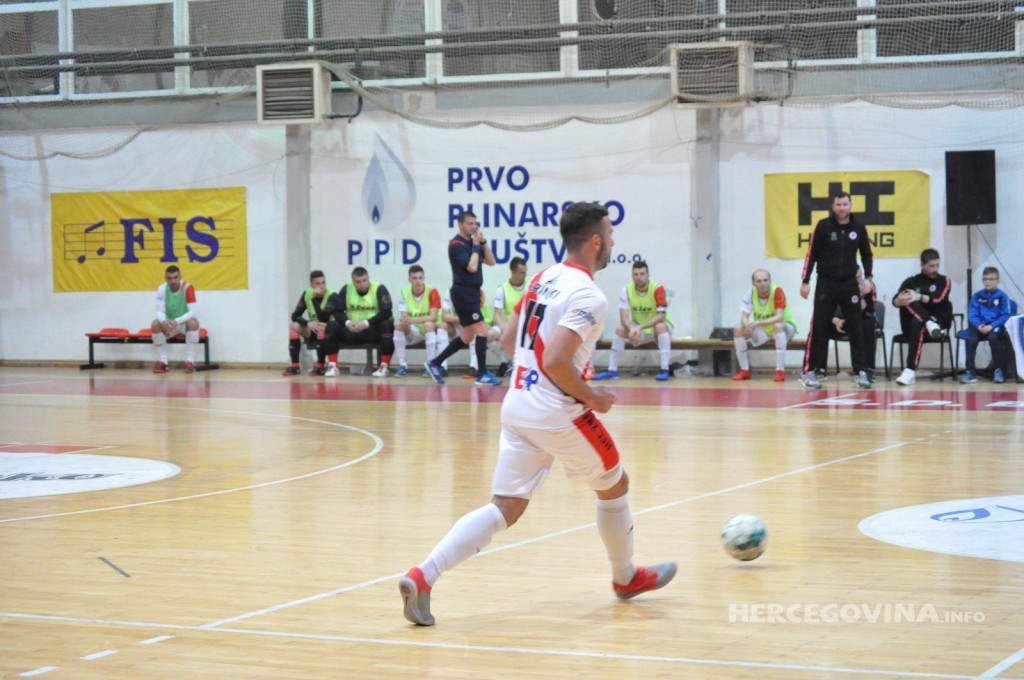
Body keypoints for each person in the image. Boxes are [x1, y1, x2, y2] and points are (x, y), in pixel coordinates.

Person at [398, 202, 676, 627]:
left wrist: (546, 373)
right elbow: (557, 361)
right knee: (615, 483)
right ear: (596, 241)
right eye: (611, 234)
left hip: (517, 404)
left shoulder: (542, 277)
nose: (614, 242)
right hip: (555, 410)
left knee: (505, 506)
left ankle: (423, 575)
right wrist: (591, 396)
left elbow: (508, 341)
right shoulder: (588, 294)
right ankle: (625, 577)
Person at [799, 192, 875, 389]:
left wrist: (869, 278)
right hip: (826, 283)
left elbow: (866, 253)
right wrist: (805, 280)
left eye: (845, 204)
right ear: (833, 207)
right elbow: (811, 254)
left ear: (850, 206)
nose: (842, 208)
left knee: (856, 327)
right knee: (819, 326)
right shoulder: (823, 226)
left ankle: (861, 371)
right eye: (838, 205)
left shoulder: (858, 227)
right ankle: (813, 371)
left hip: (849, 283)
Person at [425, 210, 501, 386]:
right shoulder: (456, 245)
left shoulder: (474, 243)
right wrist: (475, 246)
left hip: (472, 293)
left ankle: (435, 363)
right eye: (470, 223)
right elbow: (472, 267)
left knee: (467, 336)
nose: (474, 227)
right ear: (460, 224)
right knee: (482, 330)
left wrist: (483, 243)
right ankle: (482, 373)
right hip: (463, 293)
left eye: (475, 223)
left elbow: (491, 261)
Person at [592, 260, 675, 382]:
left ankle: (664, 369)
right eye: (636, 274)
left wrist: (639, 328)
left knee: (660, 327)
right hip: (639, 327)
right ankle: (612, 370)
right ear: (632, 276)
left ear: (648, 275)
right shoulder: (626, 290)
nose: (639, 277)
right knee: (620, 329)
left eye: (642, 274)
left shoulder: (658, 288)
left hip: (660, 327)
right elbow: (624, 316)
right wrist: (631, 330)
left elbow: (661, 316)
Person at [891, 248, 953, 386]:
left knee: (916, 322)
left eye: (937, 265)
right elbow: (895, 299)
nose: (935, 269)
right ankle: (929, 323)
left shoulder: (944, 280)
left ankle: (910, 371)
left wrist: (920, 297)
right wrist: (898, 301)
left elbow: (940, 300)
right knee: (907, 298)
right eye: (931, 266)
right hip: (918, 328)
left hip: (937, 326)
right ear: (922, 265)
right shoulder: (912, 281)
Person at [320, 267, 395, 378]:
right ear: (353, 281)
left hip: (371, 330)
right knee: (331, 326)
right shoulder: (347, 289)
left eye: (364, 280)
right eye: (358, 282)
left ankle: (384, 367)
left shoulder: (379, 288)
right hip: (351, 330)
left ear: (368, 278)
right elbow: (337, 311)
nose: (362, 284)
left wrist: (366, 323)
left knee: (387, 324)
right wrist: (347, 323)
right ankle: (333, 366)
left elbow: (386, 312)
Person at [732, 269, 797, 383]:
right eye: (759, 281)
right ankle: (744, 369)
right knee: (738, 329)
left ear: (770, 281)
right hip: (765, 328)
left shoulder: (777, 291)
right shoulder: (751, 293)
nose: (763, 284)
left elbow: (780, 316)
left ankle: (780, 370)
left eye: (765, 280)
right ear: (754, 283)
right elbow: (744, 316)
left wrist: (757, 323)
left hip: (785, 327)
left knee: (778, 325)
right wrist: (748, 326)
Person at [960, 266, 1011, 385]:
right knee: (970, 339)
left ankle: (998, 371)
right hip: (980, 326)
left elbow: (1005, 315)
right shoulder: (977, 296)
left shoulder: (1003, 296)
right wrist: (978, 326)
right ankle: (971, 372)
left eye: (991, 279)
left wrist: (992, 326)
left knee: (994, 338)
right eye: (985, 279)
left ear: (998, 280)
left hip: (995, 326)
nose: (988, 282)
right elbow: (972, 314)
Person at [829, 267, 878, 383]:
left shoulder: (868, 287)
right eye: (856, 278)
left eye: (860, 277)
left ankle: (867, 369)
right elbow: (826, 309)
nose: (859, 280)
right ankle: (817, 369)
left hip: (860, 321)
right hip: (841, 322)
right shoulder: (836, 285)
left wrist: (859, 295)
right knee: (818, 326)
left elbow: (869, 310)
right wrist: (834, 320)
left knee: (868, 324)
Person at [393, 265, 443, 377]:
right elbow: (404, 315)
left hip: (428, 330)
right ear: (409, 280)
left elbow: (433, 316)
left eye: (420, 278)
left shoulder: (432, 291)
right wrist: (406, 319)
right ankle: (402, 365)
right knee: (399, 325)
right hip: (413, 331)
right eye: (414, 278)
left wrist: (413, 320)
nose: (418, 281)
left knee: (429, 324)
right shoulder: (404, 292)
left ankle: (430, 365)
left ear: (424, 278)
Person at [150, 265, 201, 374]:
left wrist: (176, 321)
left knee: (193, 323)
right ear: (166, 278)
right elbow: (159, 311)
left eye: (175, 277)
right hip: (169, 324)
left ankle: (189, 362)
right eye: (169, 278)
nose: (173, 281)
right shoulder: (162, 288)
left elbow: (193, 312)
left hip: (182, 324)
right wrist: (164, 321)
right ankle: (163, 362)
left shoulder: (188, 287)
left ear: (180, 277)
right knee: (155, 324)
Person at [283, 270, 332, 376]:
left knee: (321, 328)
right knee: (294, 326)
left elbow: (326, 318)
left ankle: (320, 367)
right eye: (317, 283)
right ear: (311, 285)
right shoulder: (307, 293)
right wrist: (307, 323)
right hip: (313, 329)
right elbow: (295, 315)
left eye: (323, 283)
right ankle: (295, 366)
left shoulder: (331, 294)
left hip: (328, 331)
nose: (321, 286)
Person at [491, 256, 528, 377]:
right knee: (487, 336)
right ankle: (505, 361)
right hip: (510, 326)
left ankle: (518, 364)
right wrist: (504, 327)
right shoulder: (502, 288)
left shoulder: (532, 283)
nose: (525, 275)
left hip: (528, 326)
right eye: (522, 273)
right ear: (513, 272)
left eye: (525, 272)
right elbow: (497, 313)